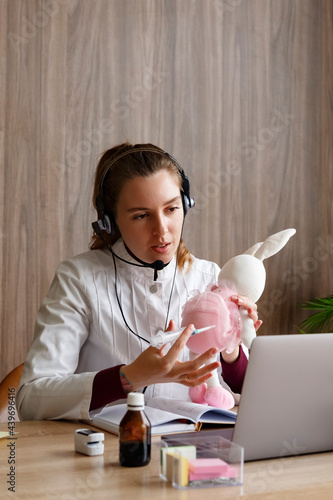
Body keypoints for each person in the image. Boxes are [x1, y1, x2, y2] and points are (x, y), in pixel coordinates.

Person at [17, 143, 261, 421]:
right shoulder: (78, 278)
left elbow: (247, 392)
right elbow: (31, 399)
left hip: (193, 451)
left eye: (171, 209)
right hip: (107, 455)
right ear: (109, 222)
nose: (162, 230)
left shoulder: (211, 277)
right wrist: (129, 377)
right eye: (141, 216)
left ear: (186, 204)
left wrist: (231, 347)